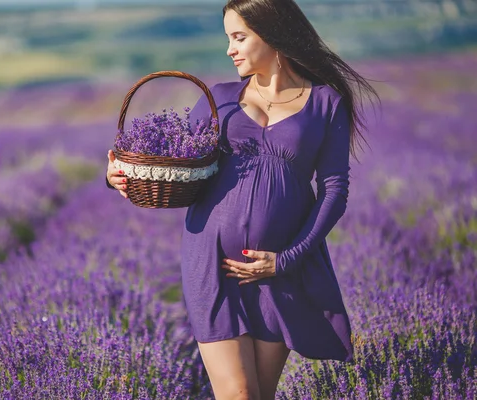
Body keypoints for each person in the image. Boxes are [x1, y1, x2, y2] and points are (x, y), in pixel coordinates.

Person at [106, 0, 379, 398]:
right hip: (213, 266)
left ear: (273, 35)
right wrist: (119, 175)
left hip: (280, 272)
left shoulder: (326, 103)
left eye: (239, 37)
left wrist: (286, 259)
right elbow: (174, 163)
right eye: (229, 38)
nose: (229, 49)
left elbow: (335, 191)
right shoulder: (220, 99)